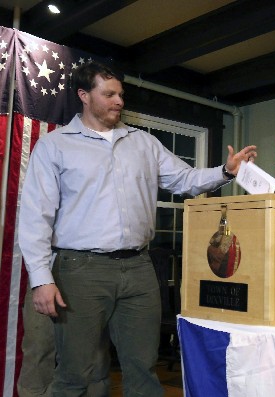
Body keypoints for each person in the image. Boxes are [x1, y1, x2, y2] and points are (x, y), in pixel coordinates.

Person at [18, 60, 257, 396]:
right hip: (80, 270)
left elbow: (184, 179)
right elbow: (35, 216)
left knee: (144, 369)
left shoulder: (143, 143)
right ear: (84, 95)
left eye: (121, 94)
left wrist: (226, 171)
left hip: (140, 268)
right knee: (75, 372)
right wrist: (42, 278)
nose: (119, 101)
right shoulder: (55, 146)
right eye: (110, 94)